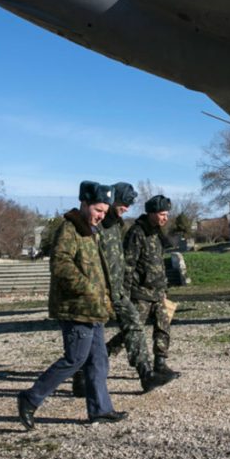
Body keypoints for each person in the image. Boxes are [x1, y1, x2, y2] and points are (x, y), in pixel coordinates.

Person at [17, 181, 127, 429]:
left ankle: (100, 409)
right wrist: (89, 289)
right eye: (98, 210)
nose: (101, 216)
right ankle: (30, 398)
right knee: (75, 359)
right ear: (84, 203)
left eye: (105, 211)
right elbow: (61, 266)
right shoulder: (69, 229)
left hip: (94, 309)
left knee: (98, 360)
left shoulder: (90, 230)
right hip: (76, 308)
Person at [73, 182, 175, 397]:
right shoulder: (100, 226)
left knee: (134, 329)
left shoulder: (117, 225)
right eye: (122, 203)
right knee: (89, 344)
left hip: (121, 290)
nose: (126, 208)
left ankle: (147, 374)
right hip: (109, 291)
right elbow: (126, 263)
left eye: (128, 205)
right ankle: (80, 374)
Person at [124, 194, 179, 378]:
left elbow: (158, 264)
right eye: (162, 214)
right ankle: (98, 360)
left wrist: (163, 289)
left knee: (163, 327)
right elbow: (128, 265)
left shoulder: (157, 233)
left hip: (157, 292)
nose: (166, 217)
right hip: (140, 293)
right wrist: (125, 294)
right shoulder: (137, 233)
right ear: (151, 213)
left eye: (167, 214)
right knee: (132, 331)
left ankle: (160, 363)